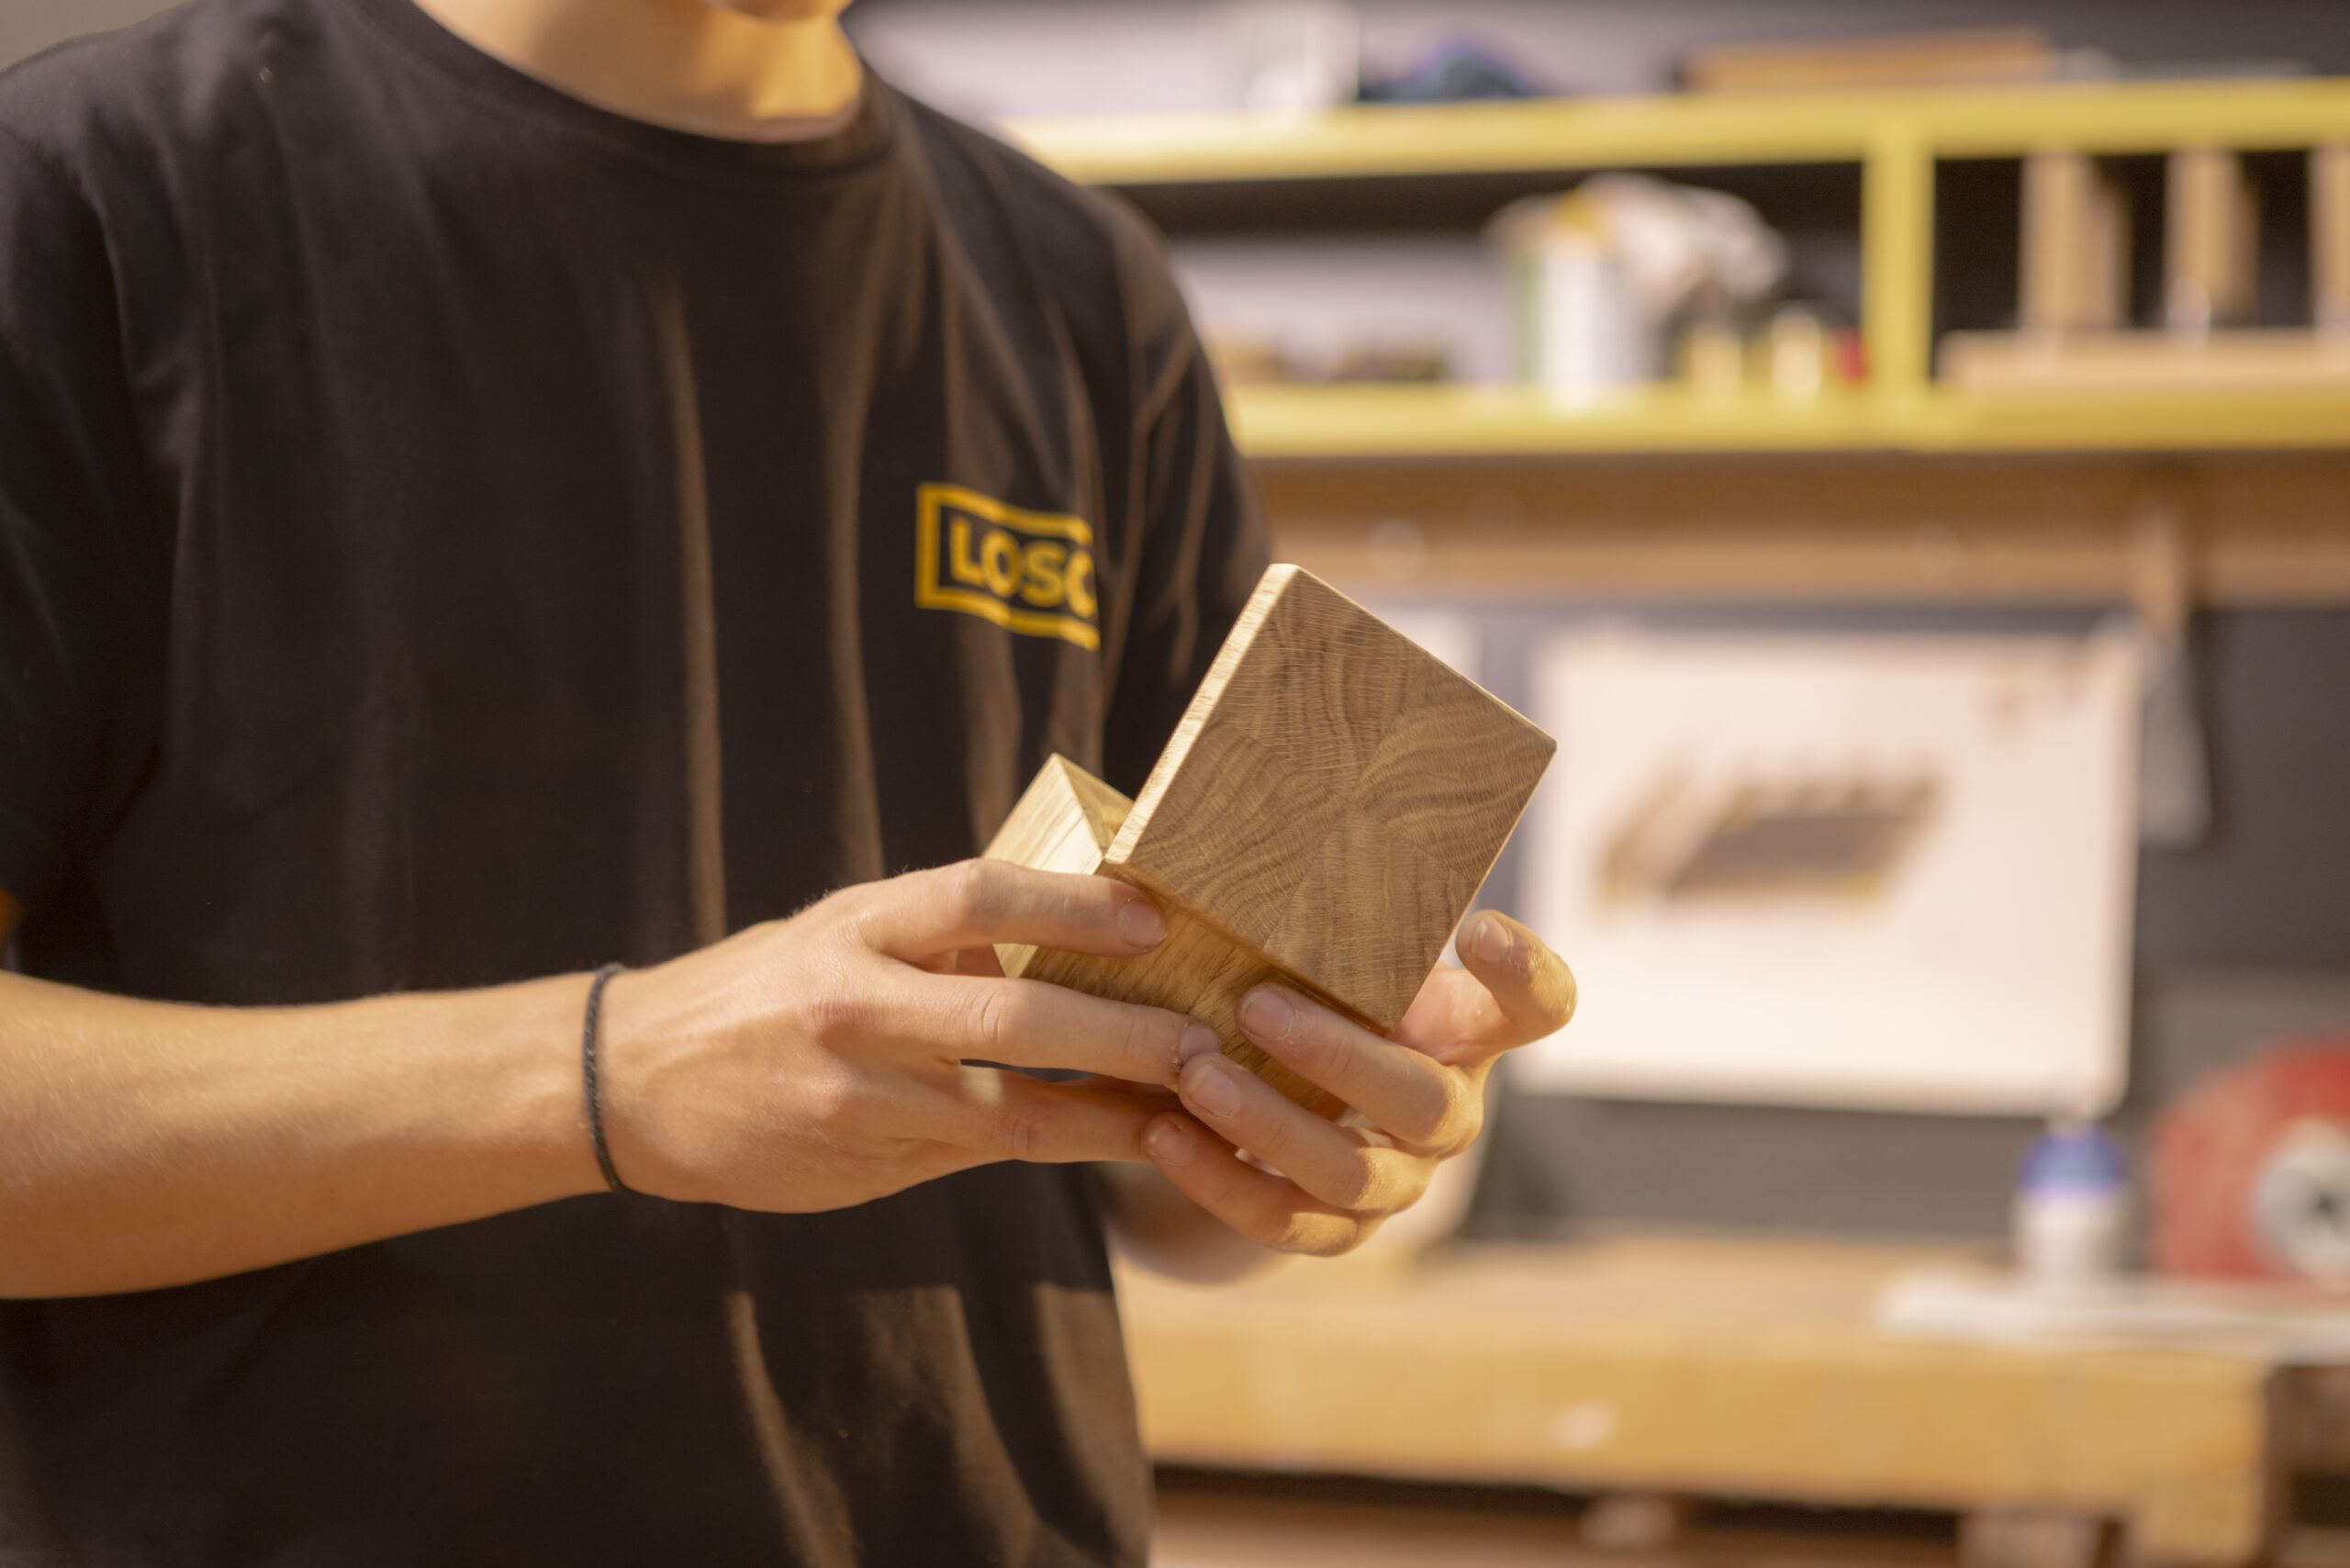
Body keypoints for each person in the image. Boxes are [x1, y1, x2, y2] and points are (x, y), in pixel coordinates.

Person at [0, 0, 1577, 1561]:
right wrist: (606, 1078)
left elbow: (1153, 1161)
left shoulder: (1079, 289)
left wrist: (1308, 1128)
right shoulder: (92, 194)